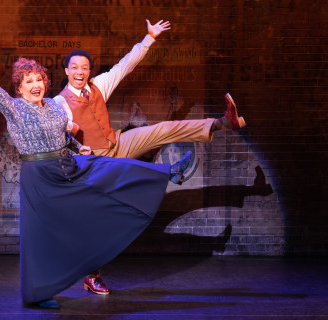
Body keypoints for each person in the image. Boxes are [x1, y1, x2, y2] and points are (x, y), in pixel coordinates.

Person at [0, 48, 192, 309]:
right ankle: (37, 294)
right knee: (40, 237)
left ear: (45, 83)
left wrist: (76, 147)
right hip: (40, 175)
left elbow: (64, 136)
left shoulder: (55, 109)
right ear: (19, 88)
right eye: (29, 82)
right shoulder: (15, 108)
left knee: (111, 168)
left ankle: (169, 172)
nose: (35, 85)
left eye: (39, 80)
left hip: (66, 164)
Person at [55, 19, 246, 295]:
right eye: (75, 68)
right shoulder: (60, 104)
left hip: (116, 143)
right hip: (92, 161)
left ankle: (223, 123)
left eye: (84, 68)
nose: (80, 72)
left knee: (161, 130)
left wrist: (149, 38)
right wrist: (75, 146)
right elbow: (58, 134)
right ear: (67, 71)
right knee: (98, 219)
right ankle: (91, 274)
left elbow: (125, 65)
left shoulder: (98, 86)